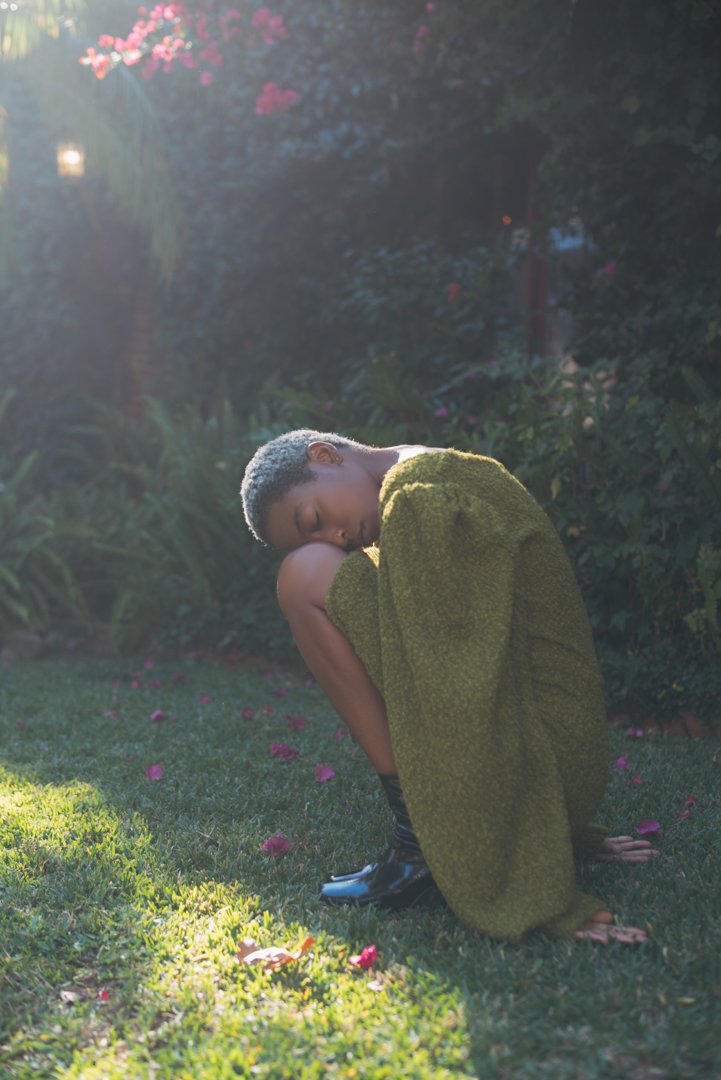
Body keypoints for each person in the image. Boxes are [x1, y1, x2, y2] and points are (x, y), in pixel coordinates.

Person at [240, 429, 658, 945]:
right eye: (314, 535)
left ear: (324, 455)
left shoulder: (416, 500)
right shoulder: (427, 469)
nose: (336, 540)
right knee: (310, 568)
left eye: (315, 520)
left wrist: (531, 884)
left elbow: (460, 689)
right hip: (562, 755)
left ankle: (418, 845)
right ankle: (421, 832)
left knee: (301, 576)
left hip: (544, 766)